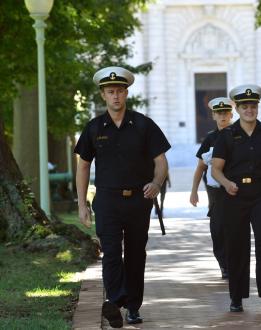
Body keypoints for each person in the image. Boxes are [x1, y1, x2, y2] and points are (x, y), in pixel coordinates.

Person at [74, 66, 170, 327]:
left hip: (139, 200)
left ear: (126, 93)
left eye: (119, 91)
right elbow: (83, 166)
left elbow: (160, 161)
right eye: (110, 92)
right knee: (112, 253)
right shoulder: (94, 128)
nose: (115, 96)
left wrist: (156, 182)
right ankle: (116, 302)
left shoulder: (143, 125)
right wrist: (82, 204)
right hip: (107, 200)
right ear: (103, 95)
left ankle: (133, 307)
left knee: (136, 254)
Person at [211, 84, 261, 313]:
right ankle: (236, 297)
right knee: (237, 245)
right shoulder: (227, 135)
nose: (249, 109)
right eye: (245, 106)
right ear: (236, 108)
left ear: (257, 107)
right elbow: (216, 169)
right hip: (234, 197)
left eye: (253, 105)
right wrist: (227, 184)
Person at [190, 97, 234, 279]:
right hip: (215, 191)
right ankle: (224, 264)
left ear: (231, 114)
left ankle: (234, 264)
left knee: (234, 228)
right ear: (214, 115)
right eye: (219, 113)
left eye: (226, 113)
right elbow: (200, 167)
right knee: (217, 229)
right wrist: (193, 192)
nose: (223, 116)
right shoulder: (210, 138)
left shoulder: (238, 134)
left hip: (235, 188)